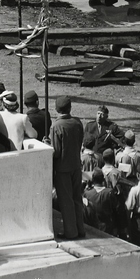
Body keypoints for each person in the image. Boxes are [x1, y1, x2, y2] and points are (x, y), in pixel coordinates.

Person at [49, 97, 85, 241]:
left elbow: (56, 151)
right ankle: (80, 229)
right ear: (70, 108)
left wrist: (48, 144)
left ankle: (71, 232)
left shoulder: (56, 126)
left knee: (66, 201)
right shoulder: (77, 123)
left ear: (57, 109)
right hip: (76, 165)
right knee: (77, 198)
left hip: (62, 168)